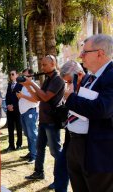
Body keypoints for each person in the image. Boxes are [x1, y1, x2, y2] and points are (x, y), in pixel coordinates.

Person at [64, 34, 113, 192]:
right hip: (76, 146)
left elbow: (102, 109)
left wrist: (70, 98)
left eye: (85, 52)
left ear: (100, 53)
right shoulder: (87, 79)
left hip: (98, 152)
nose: (80, 56)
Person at [23, 55, 64, 189]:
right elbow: (38, 97)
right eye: (42, 65)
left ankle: (59, 180)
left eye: (45, 65)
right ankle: (38, 172)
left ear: (53, 64)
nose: (42, 67)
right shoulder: (48, 79)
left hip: (52, 121)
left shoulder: (58, 79)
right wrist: (28, 87)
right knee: (40, 148)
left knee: (56, 152)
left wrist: (32, 83)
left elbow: (46, 97)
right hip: (44, 120)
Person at [54, 60, 88, 192]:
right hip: (70, 138)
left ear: (78, 74)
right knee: (61, 168)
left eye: (69, 81)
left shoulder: (89, 86)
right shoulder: (73, 88)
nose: (68, 84)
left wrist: (72, 97)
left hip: (85, 142)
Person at [17, 68, 39, 164]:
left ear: (31, 76)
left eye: (25, 75)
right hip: (24, 113)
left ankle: (35, 156)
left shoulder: (33, 85)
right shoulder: (24, 86)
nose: (23, 77)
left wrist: (22, 96)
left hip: (30, 112)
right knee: (28, 134)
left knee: (32, 135)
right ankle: (31, 152)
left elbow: (36, 100)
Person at [5, 70, 23, 151]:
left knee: (19, 127)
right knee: (10, 128)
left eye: (13, 74)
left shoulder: (20, 85)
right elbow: (7, 97)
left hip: (18, 109)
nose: (11, 76)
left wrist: (14, 106)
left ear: (17, 75)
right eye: (10, 74)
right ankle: (11, 145)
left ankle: (19, 144)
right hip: (9, 110)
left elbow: (20, 98)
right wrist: (8, 105)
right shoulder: (9, 85)